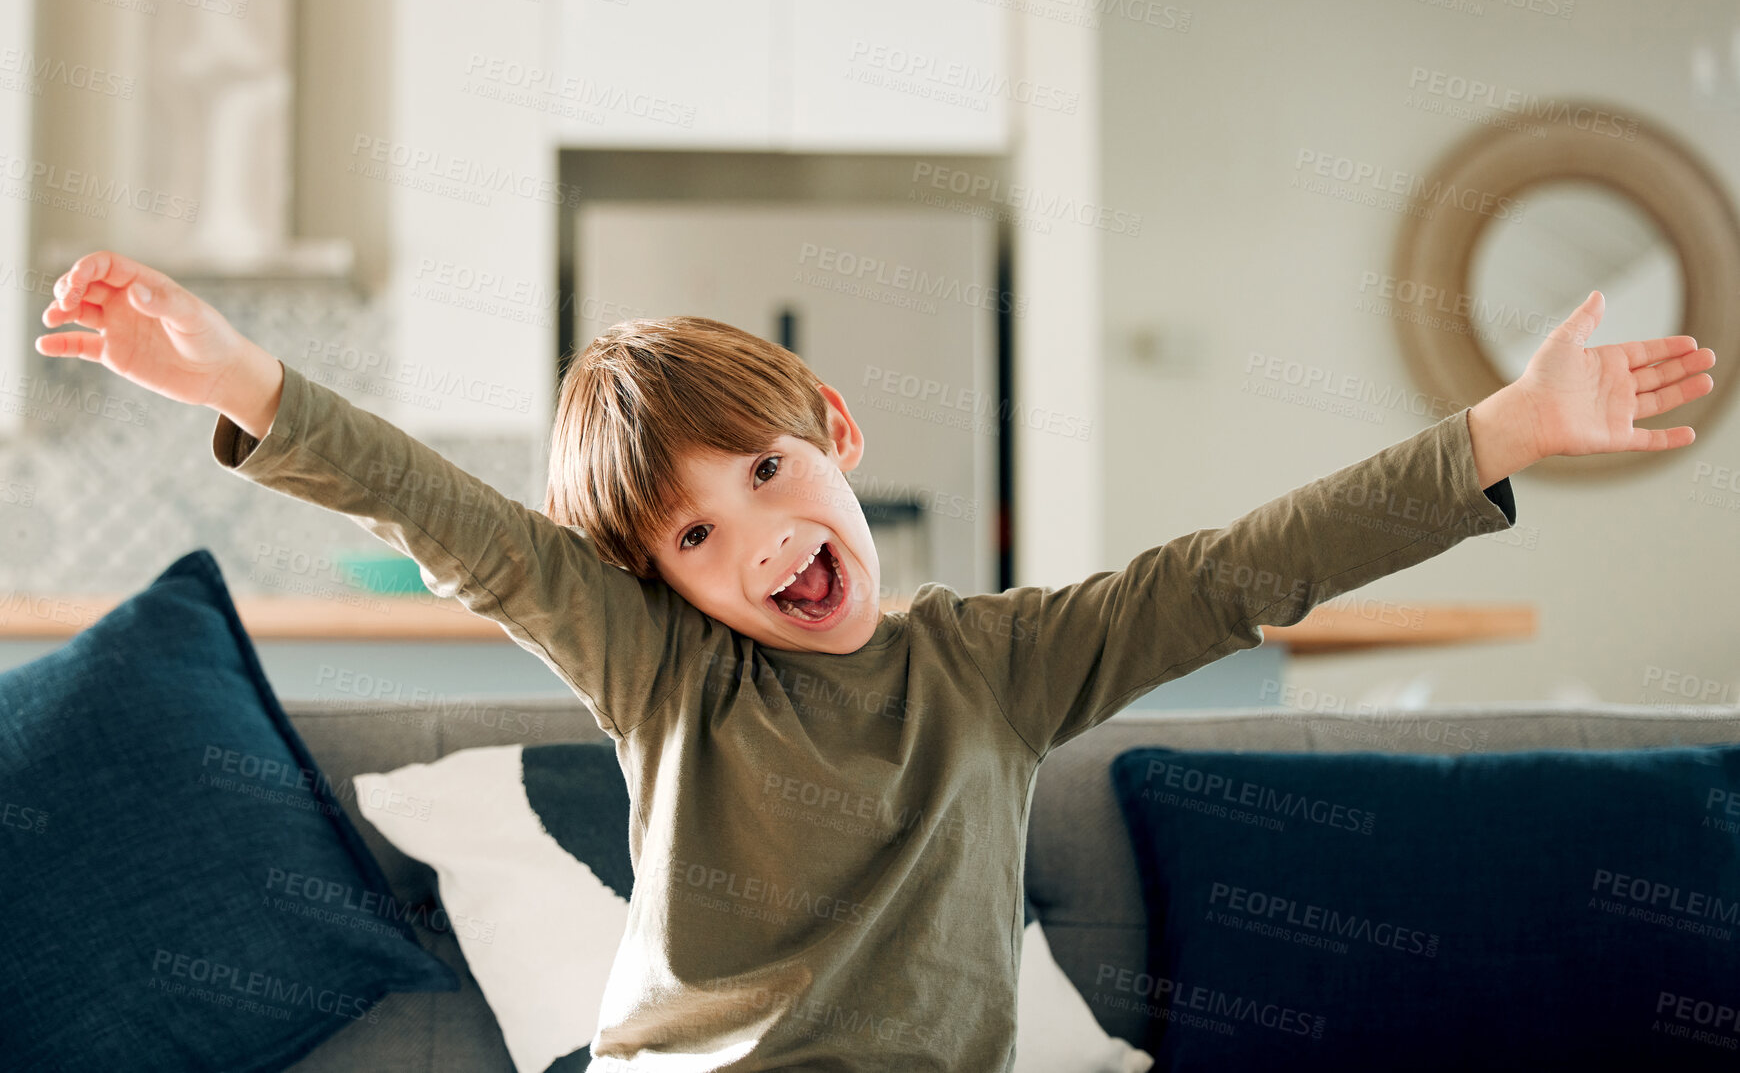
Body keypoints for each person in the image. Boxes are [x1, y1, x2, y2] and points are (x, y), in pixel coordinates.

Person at [36, 251, 1716, 1071]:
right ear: (653, 583)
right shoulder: (665, 676)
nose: (760, 538)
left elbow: (1239, 573)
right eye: (694, 536)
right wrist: (247, 375)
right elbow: (454, 519)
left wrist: (1504, 426)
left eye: (766, 475)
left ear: (833, 433)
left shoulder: (1003, 663)